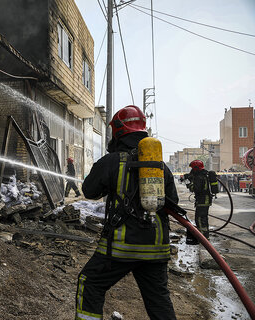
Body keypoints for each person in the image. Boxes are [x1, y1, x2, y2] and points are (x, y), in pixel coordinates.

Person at [75, 105, 178, 320]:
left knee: (91, 283)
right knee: (159, 300)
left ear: (119, 131)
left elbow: (89, 191)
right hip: (156, 249)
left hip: (122, 247)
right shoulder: (160, 166)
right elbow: (172, 203)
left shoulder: (112, 161)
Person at [186, 160, 212, 239]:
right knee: (203, 218)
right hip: (205, 199)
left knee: (200, 219)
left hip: (202, 200)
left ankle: (203, 237)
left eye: (192, 168)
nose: (192, 170)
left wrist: (189, 184)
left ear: (196, 168)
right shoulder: (203, 174)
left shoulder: (199, 177)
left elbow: (196, 189)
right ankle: (205, 235)